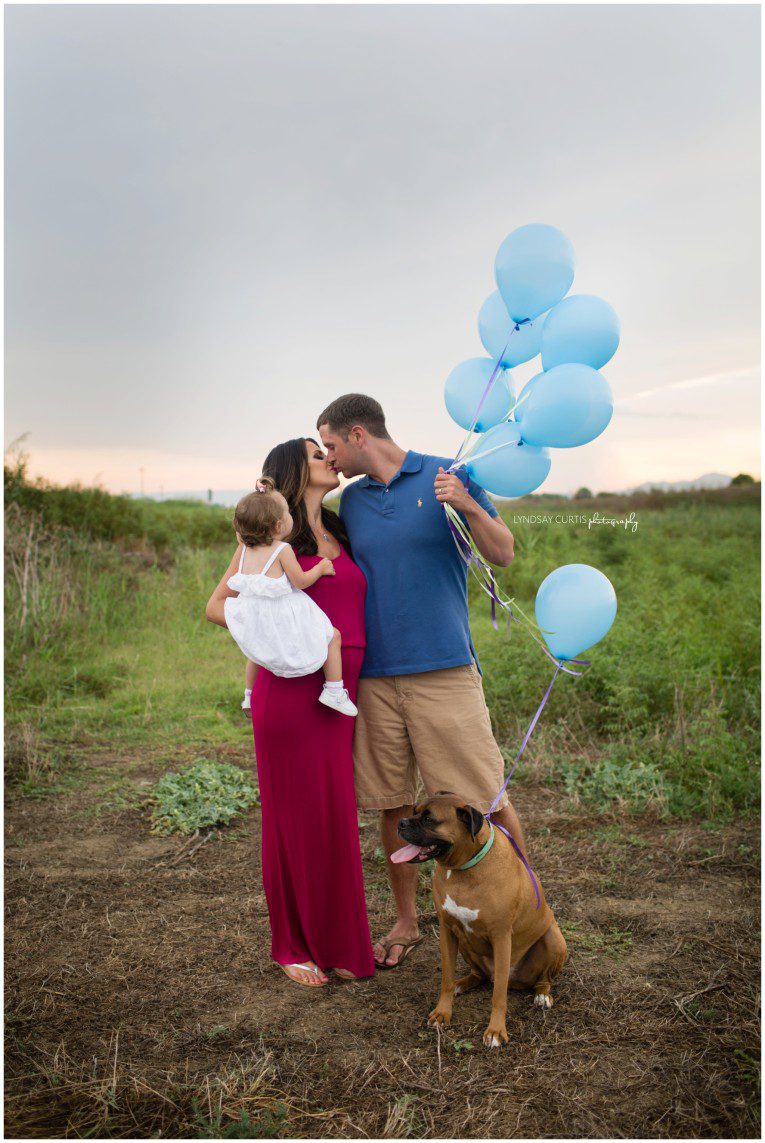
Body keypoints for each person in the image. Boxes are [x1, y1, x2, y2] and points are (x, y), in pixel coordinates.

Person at [316, 393, 528, 970]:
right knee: (392, 806)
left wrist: (466, 505)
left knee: (486, 797)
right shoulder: (353, 501)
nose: (330, 459)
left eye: (332, 445)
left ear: (358, 434)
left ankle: (526, 908)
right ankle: (407, 921)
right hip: (374, 679)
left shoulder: (448, 474)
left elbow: (504, 553)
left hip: (444, 671)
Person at [205, 437, 376, 987]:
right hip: (290, 690)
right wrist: (273, 639)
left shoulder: (340, 528)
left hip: (338, 692)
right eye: (315, 450)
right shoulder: (270, 540)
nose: (330, 455)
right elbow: (217, 607)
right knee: (294, 817)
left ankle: (342, 942)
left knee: (333, 814)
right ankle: (293, 944)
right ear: (292, 472)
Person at [225, 477, 357, 716]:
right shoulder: (282, 549)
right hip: (282, 611)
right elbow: (300, 581)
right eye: (286, 512)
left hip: (255, 613)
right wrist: (320, 569)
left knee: (256, 651)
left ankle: (248, 694)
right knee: (331, 636)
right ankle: (334, 690)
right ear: (277, 526)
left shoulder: (245, 550)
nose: (290, 516)